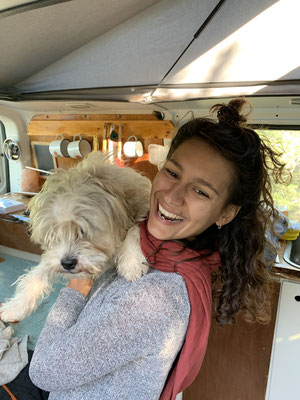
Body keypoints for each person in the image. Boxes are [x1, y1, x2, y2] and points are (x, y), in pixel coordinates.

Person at [28, 98, 287, 400]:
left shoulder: (155, 297)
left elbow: (44, 371)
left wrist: (76, 287)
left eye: (201, 191)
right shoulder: (158, 250)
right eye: (173, 173)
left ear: (226, 213)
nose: (172, 197)